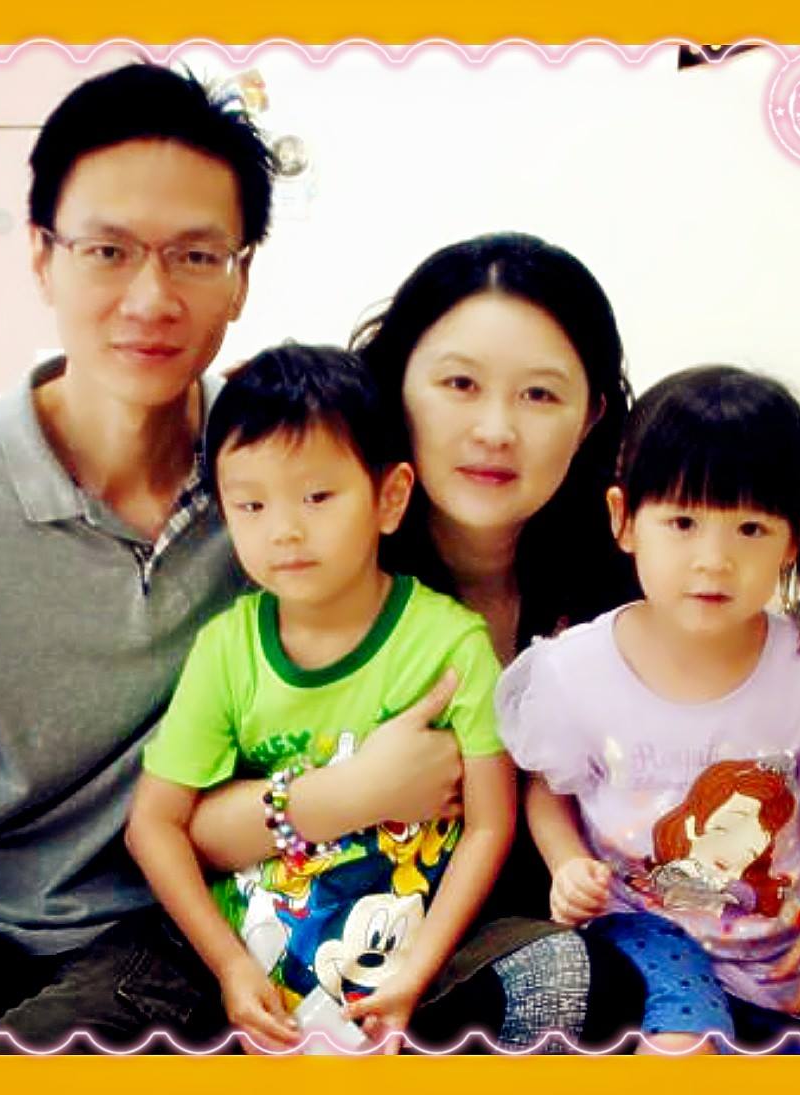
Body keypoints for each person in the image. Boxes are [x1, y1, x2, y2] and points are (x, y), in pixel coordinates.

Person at [0, 62, 463, 1055]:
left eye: (195, 255)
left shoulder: (285, 484)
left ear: (241, 276)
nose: (149, 298)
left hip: (164, 922)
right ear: (41, 257)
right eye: (107, 250)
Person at [188, 233, 645, 1052]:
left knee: (586, 983)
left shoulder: (632, 591)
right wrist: (353, 790)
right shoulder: (315, 557)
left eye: (540, 394)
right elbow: (195, 821)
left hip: (494, 951)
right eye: (459, 384)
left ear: (590, 418)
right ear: (396, 384)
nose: (494, 429)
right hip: (296, 929)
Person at [127, 343, 515, 1054]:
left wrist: (417, 972)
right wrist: (229, 966)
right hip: (252, 968)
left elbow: (491, 825)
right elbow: (153, 825)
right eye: (251, 504)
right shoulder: (227, 649)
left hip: (399, 966)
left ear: (389, 498)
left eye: (316, 497)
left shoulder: (451, 644)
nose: (284, 530)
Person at [497, 365, 800, 1054]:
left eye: (749, 527)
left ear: (795, 534)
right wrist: (566, 864)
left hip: (780, 952)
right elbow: (546, 788)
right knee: (681, 1046)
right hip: (639, 929)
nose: (713, 560)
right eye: (682, 522)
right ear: (623, 518)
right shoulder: (574, 670)